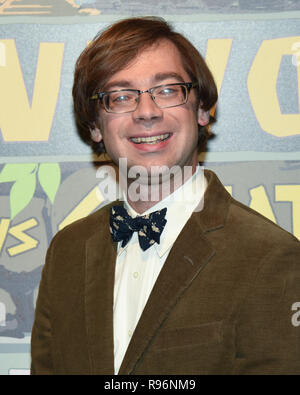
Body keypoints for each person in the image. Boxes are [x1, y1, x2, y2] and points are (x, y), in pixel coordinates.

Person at [31, 16, 300, 375]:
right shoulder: (67, 250)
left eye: (168, 90)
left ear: (202, 109)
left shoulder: (271, 257)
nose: (146, 112)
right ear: (95, 126)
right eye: (121, 96)